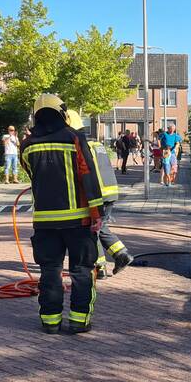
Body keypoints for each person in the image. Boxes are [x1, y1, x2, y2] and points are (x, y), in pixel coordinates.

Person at [22, 94, 103, 335]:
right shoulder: (74, 138)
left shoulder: (27, 144)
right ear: (62, 112)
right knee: (81, 270)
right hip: (77, 219)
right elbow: (88, 174)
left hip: (45, 221)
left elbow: (30, 173)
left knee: (49, 271)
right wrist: (96, 212)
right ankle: (79, 321)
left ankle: (50, 322)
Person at [66, 110, 133, 278]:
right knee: (100, 227)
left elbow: (83, 172)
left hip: (97, 194)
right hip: (111, 191)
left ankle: (101, 266)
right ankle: (119, 255)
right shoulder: (96, 144)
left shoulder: (80, 146)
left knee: (92, 229)